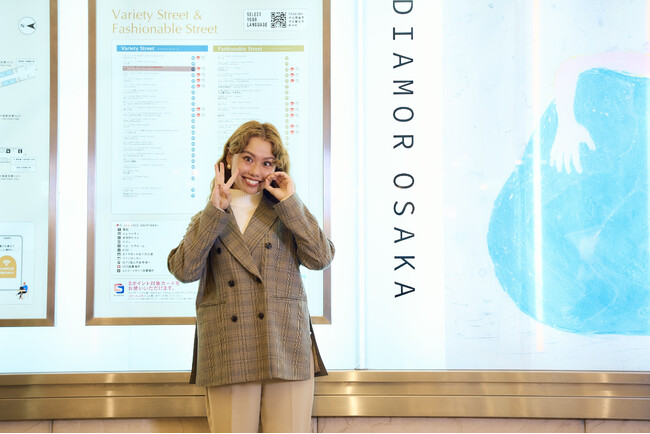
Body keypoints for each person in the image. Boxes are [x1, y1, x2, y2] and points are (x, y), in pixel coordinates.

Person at [167, 120, 334, 433]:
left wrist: (290, 201)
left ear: (276, 167)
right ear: (229, 158)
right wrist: (215, 211)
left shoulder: (286, 211)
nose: (256, 171)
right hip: (228, 345)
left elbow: (321, 258)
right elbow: (184, 270)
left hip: (284, 340)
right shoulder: (210, 215)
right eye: (248, 158)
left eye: (267, 162)